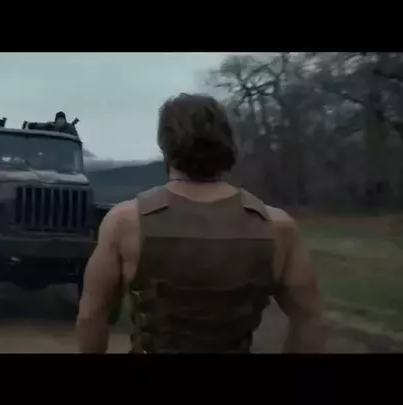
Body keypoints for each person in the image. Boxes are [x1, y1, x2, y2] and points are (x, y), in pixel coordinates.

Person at [76, 93, 326, 354]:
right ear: (227, 143)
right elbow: (311, 320)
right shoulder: (278, 227)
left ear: (166, 146)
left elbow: (91, 315)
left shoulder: (125, 222)